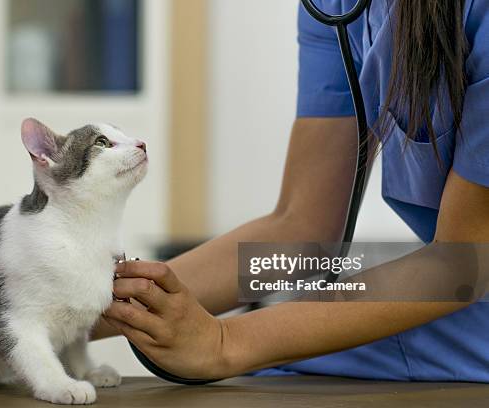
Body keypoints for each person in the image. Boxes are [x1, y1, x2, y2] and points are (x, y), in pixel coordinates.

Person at [97, 0, 489, 382]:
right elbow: (302, 234)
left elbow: (461, 262)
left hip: (467, 286)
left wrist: (223, 342)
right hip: (465, 293)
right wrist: (68, 311)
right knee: (267, 368)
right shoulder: (335, 8)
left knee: (266, 371)